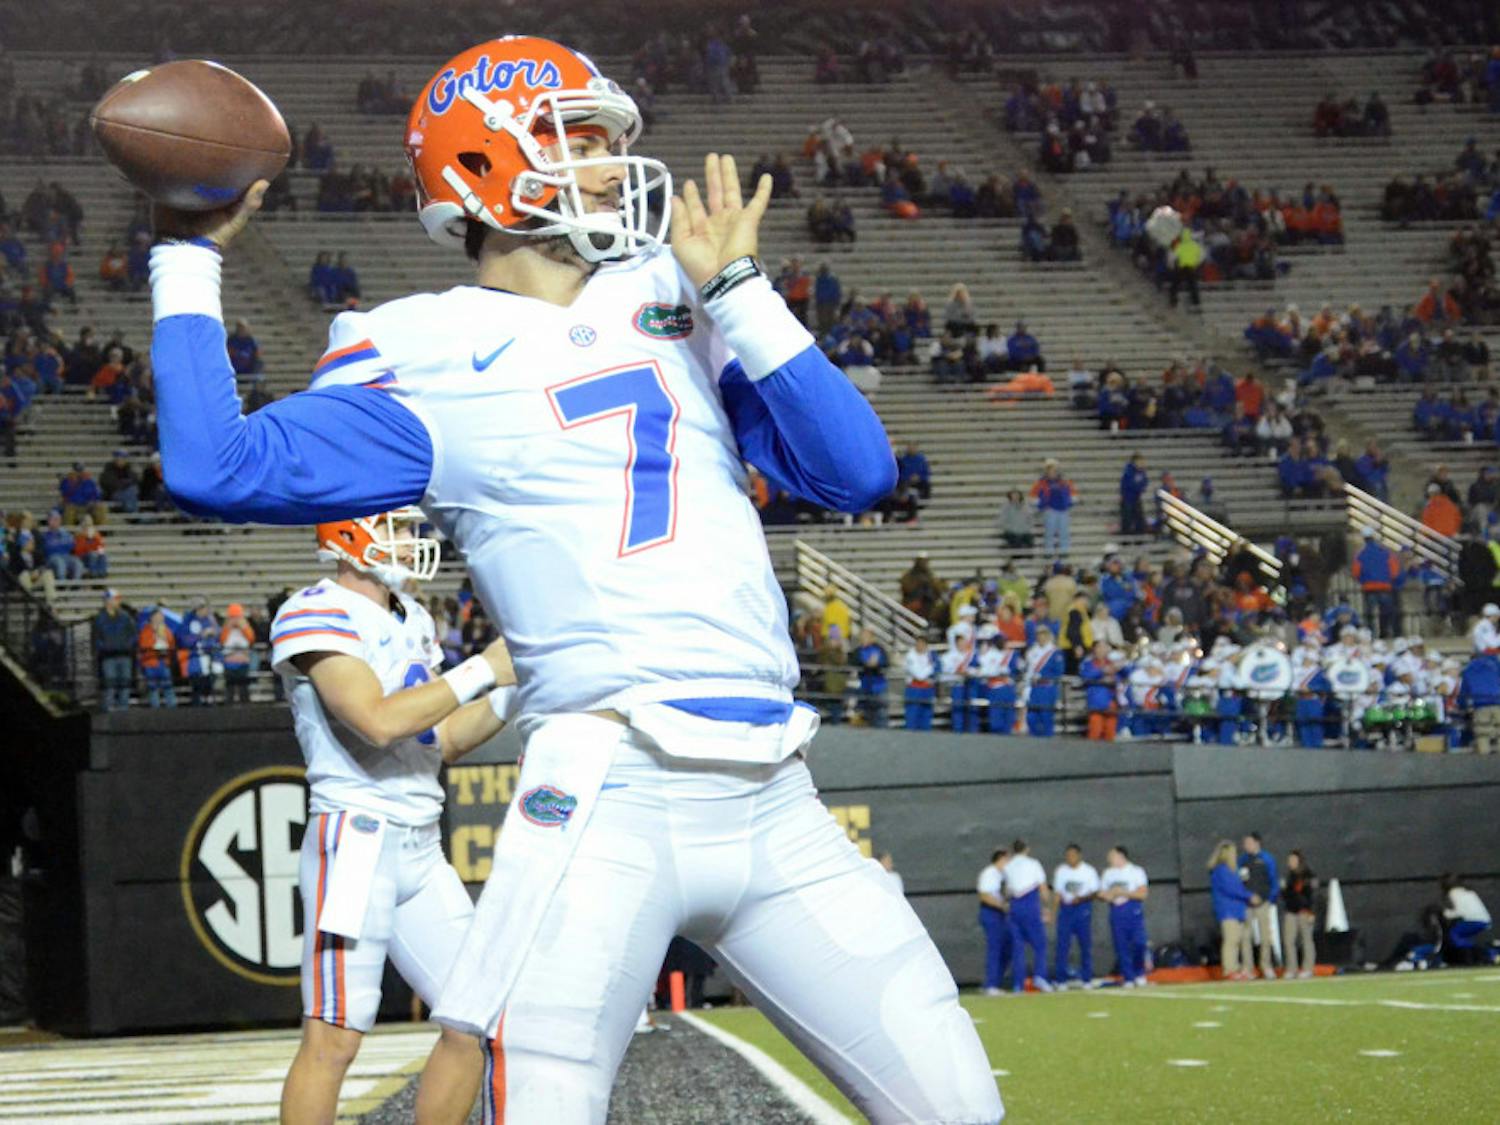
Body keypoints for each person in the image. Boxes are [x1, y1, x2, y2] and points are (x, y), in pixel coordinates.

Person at [147, 36, 995, 1125]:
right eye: (576, 138)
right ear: (483, 168)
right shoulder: (415, 349)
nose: (608, 165)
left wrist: (739, 289)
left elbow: (856, 473)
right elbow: (213, 467)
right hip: (605, 795)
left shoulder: (680, 292)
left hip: (777, 792)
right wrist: (186, 254)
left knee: (961, 1111)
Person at [274, 509, 516, 1122]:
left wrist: (518, 690)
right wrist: (485, 668)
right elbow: (377, 721)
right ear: (347, 533)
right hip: (355, 841)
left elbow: (445, 740)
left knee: (476, 1017)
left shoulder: (411, 617)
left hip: (420, 844)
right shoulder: (314, 610)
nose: (410, 542)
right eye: (397, 530)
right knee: (334, 1040)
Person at [1004, 839, 1053, 993]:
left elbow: (1007, 891)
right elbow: (1043, 888)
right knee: (1040, 944)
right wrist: (1047, 907)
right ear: (1027, 849)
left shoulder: (1008, 866)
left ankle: (1018, 984)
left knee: (1018, 947)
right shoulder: (1033, 864)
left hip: (1015, 905)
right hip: (1030, 904)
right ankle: (1040, 976)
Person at [1099, 845, 1149, 986]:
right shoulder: (1108, 873)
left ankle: (1139, 972)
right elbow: (1102, 893)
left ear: (1120, 856)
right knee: (1121, 945)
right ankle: (1128, 976)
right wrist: (1109, 895)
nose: (1109, 859)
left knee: (1139, 942)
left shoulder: (1136, 871)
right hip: (1116, 910)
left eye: (1112, 856)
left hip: (1132, 909)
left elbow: (1143, 893)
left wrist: (1122, 892)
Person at [1050, 844, 1098, 987]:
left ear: (1079, 855)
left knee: (1085, 945)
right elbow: (1058, 893)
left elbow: (1094, 892)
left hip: (1082, 909)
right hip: (1066, 910)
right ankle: (1061, 980)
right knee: (1062, 945)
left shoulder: (1088, 871)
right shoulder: (1061, 871)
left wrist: (1081, 899)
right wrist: (1053, 912)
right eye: (1067, 855)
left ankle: (1087, 979)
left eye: (1072, 855)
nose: (1069, 858)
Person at [1209, 840, 1253, 980]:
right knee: (1231, 940)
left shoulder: (1230, 871)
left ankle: (1236, 966)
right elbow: (1232, 889)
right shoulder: (1221, 870)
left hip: (1237, 910)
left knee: (1237, 940)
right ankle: (1229, 968)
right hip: (1228, 910)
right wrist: (1249, 895)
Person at [1239, 832, 1279, 980]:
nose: (1246, 846)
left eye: (1249, 842)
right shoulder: (1242, 861)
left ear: (1257, 843)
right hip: (1246, 904)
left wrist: (1268, 899)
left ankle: (1266, 966)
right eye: (1245, 843)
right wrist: (1246, 897)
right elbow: (1239, 881)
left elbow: (1273, 881)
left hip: (1263, 903)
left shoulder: (1267, 859)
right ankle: (1248, 968)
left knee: (1265, 936)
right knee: (1245, 937)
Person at [976, 849, 1012, 996]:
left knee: (1006, 947)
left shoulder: (1002, 875)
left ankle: (993, 982)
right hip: (991, 913)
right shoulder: (989, 873)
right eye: (1007, 860)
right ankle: (991, 985)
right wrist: (1002, 905)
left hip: (1000, 915)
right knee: (995, 948)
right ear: (1001, 859)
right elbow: (984, 896)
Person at [93, 589, 135, 711]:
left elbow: (133, 635)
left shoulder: (125, 617)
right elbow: (96, 637)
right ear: (107, 601)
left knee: (124, 684)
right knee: (109, 685)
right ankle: (107, 710)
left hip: (124, 655)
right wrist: (105, 647)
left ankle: (123, 709)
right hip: (108, 656)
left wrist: (128, 646)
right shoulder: (99, 618)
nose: (116, 602)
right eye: (114, 599)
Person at [1281, 850, 1318, 979]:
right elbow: (1286, 894)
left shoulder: (1308, 875)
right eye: (1289, 860)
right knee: (1288, 940)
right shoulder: (1289, 876)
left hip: (1304, 911)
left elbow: (1312, 895)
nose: (1290, 863)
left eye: (1292, 860)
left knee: (1306, 940)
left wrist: (1311, 911)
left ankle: (1308, 968)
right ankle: (1292, 968)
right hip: (1291, 911)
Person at [1439, 874, 1492, 962]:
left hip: (1475, 921)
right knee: (1460, 935)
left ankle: (1475, 954)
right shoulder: (1469, 891)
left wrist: (1447, 913)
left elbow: (1460, 912)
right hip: (1484, 920)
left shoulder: (1453, 893)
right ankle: (1480, 953)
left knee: (1454, 934)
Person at [136, 608, 178, 708]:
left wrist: (163, 638)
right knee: (153, 688)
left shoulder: (166, 631)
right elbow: (144, 645)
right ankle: (155, 709)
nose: (160, 618)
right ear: (152, 618)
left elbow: (172, 645)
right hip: (151, 662)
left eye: (161, 616)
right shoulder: (146, 630)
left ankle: (172, 708)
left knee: (168, 687)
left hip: (163, 662)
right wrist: (155, 636)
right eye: (158, 616)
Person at [220, 603, 256, 705]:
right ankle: (228, 706)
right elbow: (222, 641)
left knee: (243, 687)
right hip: (229, 662)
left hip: (243, 661)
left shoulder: (246, 627)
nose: (235, 620)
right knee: (229, 687)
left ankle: (246, 706)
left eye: (237, 617)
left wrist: (243, 627)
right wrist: (228, 627)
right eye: (233, 617)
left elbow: (251, 639)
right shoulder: (226, 628)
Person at [852, 627, 889, 727]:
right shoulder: (858, 650)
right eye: (862, 636)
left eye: (866, 636)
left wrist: (876, 664)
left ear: (872, 638)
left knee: (880, 714)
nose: (864, 638)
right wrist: (866, 664)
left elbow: (885, 662)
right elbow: (854, 662)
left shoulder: (879, 649)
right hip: (864, 686)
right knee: (864, 714)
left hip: (878, 686)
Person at [902, 635, 937, 730]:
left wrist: (932, 667)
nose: (920, 646)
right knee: (912, 718)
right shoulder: (910, 656)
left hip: (928, 690)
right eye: (918, 644)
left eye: (923, 644)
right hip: (914, 689)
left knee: (926, 719)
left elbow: (939, 669)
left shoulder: (930, 655)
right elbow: (919, 675)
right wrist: (931, 667)